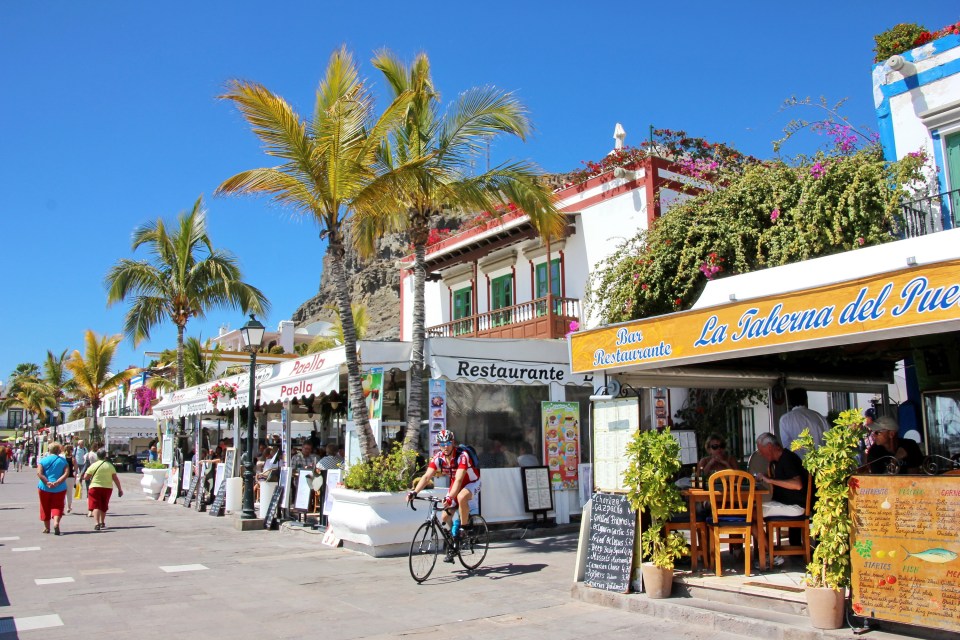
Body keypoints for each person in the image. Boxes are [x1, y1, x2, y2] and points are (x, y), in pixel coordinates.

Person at [406, 430, 481, 563]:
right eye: (442, 443)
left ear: (453, 443)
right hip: (455, 485)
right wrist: (414, 492)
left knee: (462, 498)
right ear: (439, 445)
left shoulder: (462, 456)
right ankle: (453, 538)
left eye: (448, 443)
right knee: (445, 517)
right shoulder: (438, 458)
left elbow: (459, 479)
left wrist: (450, 498)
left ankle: (464, 530)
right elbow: (426, 476)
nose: (445, 446)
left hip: (471, 482)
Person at [755, 433, 809, 565]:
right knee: (752, 512)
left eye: (761, 450)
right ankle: (768, 552)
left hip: (795, 506)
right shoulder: (779, 460)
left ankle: (771, 554)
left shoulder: (788, 458)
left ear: (769, 447)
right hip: (786, 503)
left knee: (752, 514)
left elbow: (797, 484)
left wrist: (770, 480)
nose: (761, 454)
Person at [778, 388, 828, 456]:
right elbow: (830, 438)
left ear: (790, 401)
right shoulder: (818, 416)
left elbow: (787, 446)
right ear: (806, 400)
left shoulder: (784, 419)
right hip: (820, 462)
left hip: (797, 464)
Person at [83, 448, 123, 531]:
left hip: (94, 487)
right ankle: (102, 522)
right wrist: (119, 489)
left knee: (96, 505)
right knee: (104, 505)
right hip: (107, 487)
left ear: (97, 456)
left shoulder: (93, 465)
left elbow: (86, 477)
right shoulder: (109, 465)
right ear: (105, 456)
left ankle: (96, 523)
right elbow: (115, 478)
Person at [37, 442, 70, 535]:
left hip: (44, 487)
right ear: (59, 450)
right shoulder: (63, 461)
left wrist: (47, 482)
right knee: (58, 506)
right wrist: (58, 482)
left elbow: (39, 473)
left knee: (44, 506)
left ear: (49, 450)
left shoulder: (43, 460)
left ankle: (47, 528)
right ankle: (56, 523)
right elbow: (66, 473)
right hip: (60, 487)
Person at [62, 445, 78, 513]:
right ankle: (69, 507)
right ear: (71, 450)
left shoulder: (62, 458)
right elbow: (76, 468)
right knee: (69, 492)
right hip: (70, 477)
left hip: (63, 477)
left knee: (63, 493)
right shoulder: (73, 458)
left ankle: (62, 508)